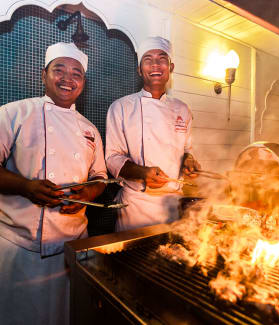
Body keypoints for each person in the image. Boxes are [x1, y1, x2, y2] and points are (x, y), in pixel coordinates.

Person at [0, 42, 107, 325]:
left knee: (66, 316)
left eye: (77, 74)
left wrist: (89, 191)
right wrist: (26, 187)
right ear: (43, 75)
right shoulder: (13, 114)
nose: (68, 79)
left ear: (83, 82)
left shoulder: (90, 129)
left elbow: (101, 178)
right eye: (59, 70)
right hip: (20, 250)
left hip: (73, 247)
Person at [106, 36, 200, 232]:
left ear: (171, 67)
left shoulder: (183, 109)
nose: (155, 65)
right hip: (136, 208)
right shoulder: (121, 107)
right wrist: (142, 173)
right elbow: (112, 159)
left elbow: (186, 150)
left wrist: (189, 161)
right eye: (148, 60)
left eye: (162, 59)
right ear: (140, 69)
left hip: (172, 206)